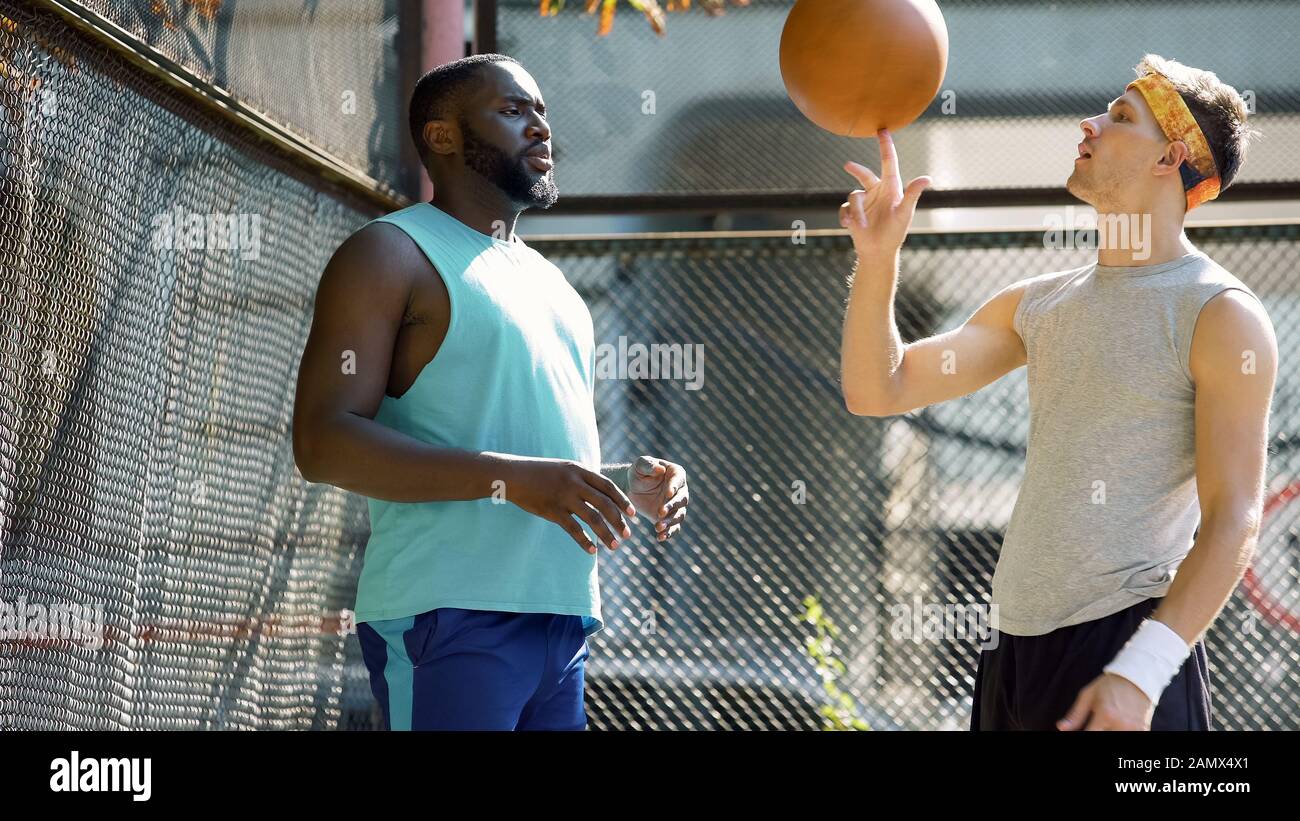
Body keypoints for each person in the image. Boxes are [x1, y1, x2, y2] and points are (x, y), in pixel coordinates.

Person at [839, 54, 1272, 730]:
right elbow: (879, 388)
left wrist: (1141, 671)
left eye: (1121, 116)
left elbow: (1234, 516)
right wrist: (877, 260)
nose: (1090, 122)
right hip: (1009, 653)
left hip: (1122, 652)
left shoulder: (1220, 312)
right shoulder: (1039, 305)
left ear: (1172, 159)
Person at [292, 53, 689, 731]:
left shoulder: (556, 286)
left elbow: (518, 451)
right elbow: (323, 442)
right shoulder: (389, 253)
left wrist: (617, 483)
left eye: (541, 112)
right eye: (512, 111)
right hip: (447, 617)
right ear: (442, 137)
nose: (539, 128)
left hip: (562, 621)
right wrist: (514, 479)